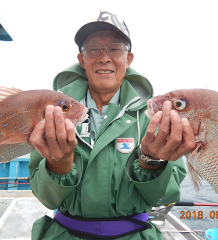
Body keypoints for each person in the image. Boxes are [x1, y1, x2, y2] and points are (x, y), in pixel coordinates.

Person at [28, 10, 195, 240]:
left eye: (115, 48)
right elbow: (47, 198)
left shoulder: (157, 116)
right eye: (93, 48)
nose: (104, 57)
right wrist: (60, 163)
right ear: (82, 60)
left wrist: (151, 163)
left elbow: (164, 198)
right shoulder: (53, 112)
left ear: (128, 59)